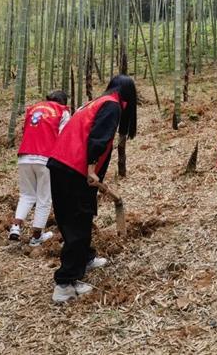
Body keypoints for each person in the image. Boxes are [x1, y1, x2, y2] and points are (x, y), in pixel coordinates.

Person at [46, 75, 138, 304]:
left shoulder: (96, 101)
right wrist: (90, 168)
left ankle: (84, 257)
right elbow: (99, 138)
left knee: (76, 217)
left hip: (60, 164)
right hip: (75, 168)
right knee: (77, 220)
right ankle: (65, 282)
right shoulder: (112, 105)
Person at [8, 91, 70, 246]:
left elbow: (26, 131)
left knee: (27, 195)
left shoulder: (33, 109)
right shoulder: (62, 111)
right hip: (45, 158)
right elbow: (64, 136)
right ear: (63, 101)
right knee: (44, 198)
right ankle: (36, 237)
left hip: (24, 156)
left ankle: (15, 227)